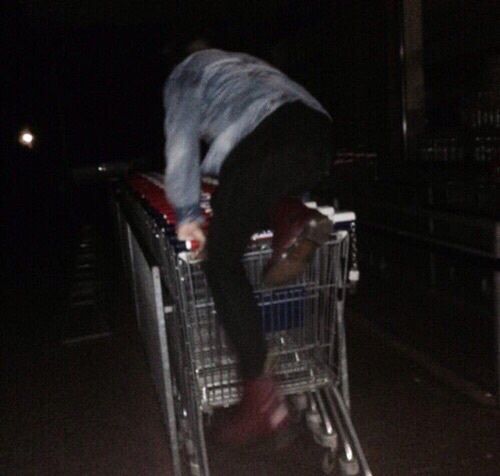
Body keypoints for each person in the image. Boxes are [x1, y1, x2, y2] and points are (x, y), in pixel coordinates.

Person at [163, 47, 334, 444]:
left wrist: (188, 211)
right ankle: (294, 217)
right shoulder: (246, 67)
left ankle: (260, 398)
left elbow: (182, 141)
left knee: (220, 259)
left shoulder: (186, 74)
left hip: (264, 140)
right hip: (318, 137)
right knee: (246, 196)